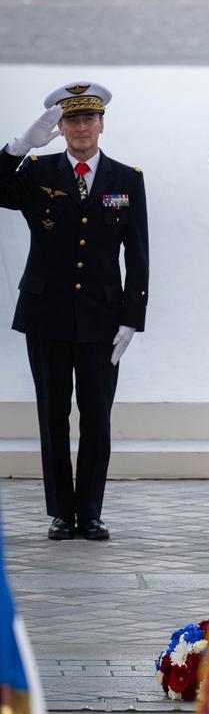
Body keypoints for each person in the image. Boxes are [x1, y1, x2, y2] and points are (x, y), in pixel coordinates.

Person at [0, 83, 149, 541]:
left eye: (89, 119)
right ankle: (61, 513)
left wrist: (131, 317)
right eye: (71, 120)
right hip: (46, 313)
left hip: (103, 317)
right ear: (60, 128)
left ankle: (92, 511)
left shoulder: (126, 177)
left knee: (97, 415)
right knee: (52, 414)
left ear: (102, 124)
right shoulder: (38, 171)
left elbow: (138, 253)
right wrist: (19, 148)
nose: (81, 127)